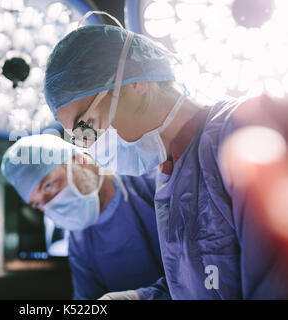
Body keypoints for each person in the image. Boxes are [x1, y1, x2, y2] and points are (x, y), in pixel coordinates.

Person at [44, 18, 288, 299]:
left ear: (134, 83)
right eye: (81, 139)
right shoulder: (169, 178)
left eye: (86, 126)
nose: (91, 146)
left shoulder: (244, 130)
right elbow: (196, 286)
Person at [1, 134, 167, 300]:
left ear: (80, 161)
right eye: (37, 204)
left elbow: (192, 274)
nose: (48, 205)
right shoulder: (79, 244)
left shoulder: (154, 183)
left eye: (48, 186)